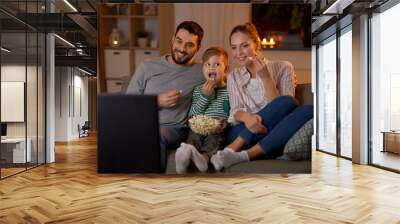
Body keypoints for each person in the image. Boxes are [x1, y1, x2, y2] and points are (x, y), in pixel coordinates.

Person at [210, 23, 313, 171]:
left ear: (256, 44)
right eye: (234, 47)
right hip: (241, 130)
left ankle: (241, 154)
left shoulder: (284, 67)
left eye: (244, 45)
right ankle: (236, 145)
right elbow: (236, 111)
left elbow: (284, 108)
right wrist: (247, 118)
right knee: (287, 109)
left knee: (308, 109)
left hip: (273, 131)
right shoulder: (233, 76)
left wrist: (265, 77)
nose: (238, 52)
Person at [126, 21, 205, 154]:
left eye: (189, 45)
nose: (181, 49)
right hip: (142, 124)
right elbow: (127, 104)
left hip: (173, 129)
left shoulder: (202, 71)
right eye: (179, 41)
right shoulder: (147, 66)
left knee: (154, 136)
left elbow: (225, 82)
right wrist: (156, 102)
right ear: (173, 39)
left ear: (198, 47)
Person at [175, 47, 230, 174]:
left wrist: (225, 123)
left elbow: (231, 113)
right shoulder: (199, 90)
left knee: (214, 139)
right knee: (193, 136)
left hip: (217, 128)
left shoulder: (229, 91)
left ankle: (204, 159)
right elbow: (193, 113)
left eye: (217, 64)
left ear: (226, 69)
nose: (211, 68)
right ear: (203, 69)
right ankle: (185, 157)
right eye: (207, 65)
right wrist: (205, 96)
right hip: (199, 126)